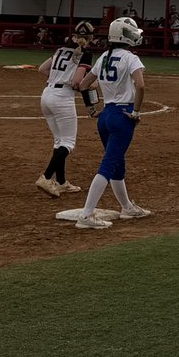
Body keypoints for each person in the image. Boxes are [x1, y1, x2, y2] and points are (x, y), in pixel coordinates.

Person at [74, 16, 152, 229]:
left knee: (117, 162)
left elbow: (83, 84)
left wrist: (91, 109)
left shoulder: (103, 57)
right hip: (122, 116)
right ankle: (87, 215)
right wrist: (136, 112)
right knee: (108, 164)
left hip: (106, 115)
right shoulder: (131, 58)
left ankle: (127, 207)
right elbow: (141, 86)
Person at [35, 21, 97, 197]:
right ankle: (46, 177)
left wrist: (59, 78)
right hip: (62, 98)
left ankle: (61, 182)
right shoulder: (85, 54)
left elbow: (42, 69)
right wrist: (85, 86)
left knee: (59, 141)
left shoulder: (61, 50)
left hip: (47, 94)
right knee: (68, 142)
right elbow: (78, 82)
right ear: (91, 38)